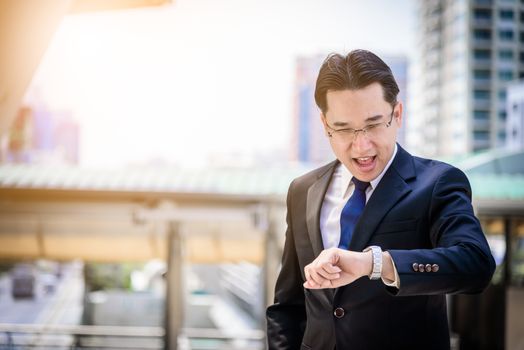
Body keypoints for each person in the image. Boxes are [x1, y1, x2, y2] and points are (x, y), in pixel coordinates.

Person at [266, 49, 495, 350]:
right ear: (324, 126)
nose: (361, 145)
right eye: (344, 129)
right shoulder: (302, 190)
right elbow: (289, 305)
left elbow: (475, 264)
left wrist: (374, 263)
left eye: (373, 124)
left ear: (397, 115)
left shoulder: (438, 183)